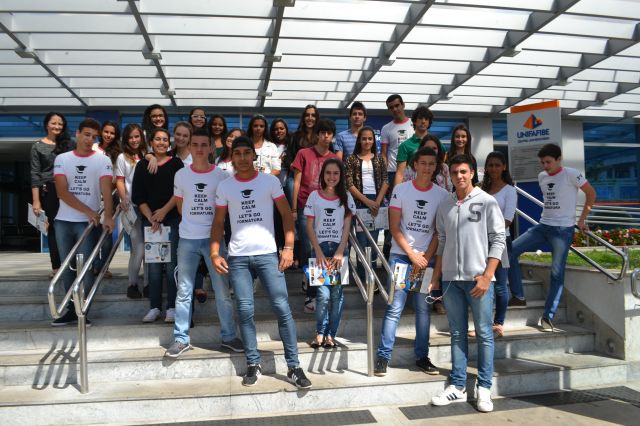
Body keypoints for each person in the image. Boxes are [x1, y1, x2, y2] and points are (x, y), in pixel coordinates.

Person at [211, 136, 312, 389]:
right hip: (238, 257)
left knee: (282, 308)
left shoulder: (270, 181)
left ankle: (294, 366)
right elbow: (218, 222)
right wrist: (214, 253)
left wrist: (288, 248)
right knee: (245, 310)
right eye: (238, 153)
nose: (243, 158)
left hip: (267, 254)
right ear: (232, 158)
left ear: (254, 156)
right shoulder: (225, 186)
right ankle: (253, 362)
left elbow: (286, 215)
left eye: (247, 153)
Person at [430, 154, 506, 413]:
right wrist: (437, 276)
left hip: (479, 280)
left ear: (472, 173)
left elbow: (498, 239)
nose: (459, 176)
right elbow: (442, 241)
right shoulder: (445, 204)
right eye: (454, 172)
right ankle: (458, 386)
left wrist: (487, 275)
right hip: (451, 280)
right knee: (457, 333)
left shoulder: (487, 201)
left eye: (463, 171)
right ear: (449, 175)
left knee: (484, 334)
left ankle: (484, 387)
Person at [165, 129, 243, 358]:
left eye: (203, 144)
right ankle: (181, 338)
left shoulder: (222, 176)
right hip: (187, 239)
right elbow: (181, 207)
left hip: (214, 241)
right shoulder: (181, 175)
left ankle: (229, 336)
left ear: (211, 148)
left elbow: (226, 209)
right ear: (189, 147)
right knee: (184, 290)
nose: (199, 149)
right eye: (195, 144)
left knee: (222, 291)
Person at [374, 147, 448, 377]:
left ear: (436, 167)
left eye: (431, 163)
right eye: (423, 163)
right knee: (394, 307)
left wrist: (424, 257)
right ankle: (383, 357)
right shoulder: (401, 189)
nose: (427, 167)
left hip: (426, 259)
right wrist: (412, 254)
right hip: (401, 256)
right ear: (415, 164)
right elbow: (394, 227)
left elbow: (439, 232)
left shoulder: (442, 195)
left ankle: (422, 357)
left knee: (423, 310)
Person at [509, 143, 596, 331]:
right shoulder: (542, 176)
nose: (545, 166)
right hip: (543, 226)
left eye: (548, 162)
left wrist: (581, 220)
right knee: (510, 251)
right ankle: (518, 296)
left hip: (563, 231)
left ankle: (548, 317)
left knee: (557, 273)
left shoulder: (571, 174)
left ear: (558, 159)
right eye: (542, 162)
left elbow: (591, 193)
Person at [51, 118, 115, 326]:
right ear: (77, 134)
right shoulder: (62, 159)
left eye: (94, 137)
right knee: (67, 266)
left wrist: (108, 216)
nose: (90, 140)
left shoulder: (102, 160)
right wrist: (89, 211)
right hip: (64, 221)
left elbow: (106, 190)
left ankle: (83, 310)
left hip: (87, 224)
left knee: (86, 268)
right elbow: (62, 192)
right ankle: (71, 309)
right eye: (86, 135)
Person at [132, 128, 184, 323]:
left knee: (171, 266)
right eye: (158, 139)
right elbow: (138, 196)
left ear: (169, 143)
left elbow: (179, 192)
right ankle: (154, 307)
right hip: (151, 222)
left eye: (165, 139)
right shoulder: (142, 165)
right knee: (153, 267)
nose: (161, 142)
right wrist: (152, 218)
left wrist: (163, 212)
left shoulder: (176, 163)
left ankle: (171, 307)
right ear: (151, 142)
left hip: (172, 219)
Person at [305, 158, 355, 349]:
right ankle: (320, 332)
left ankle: (330, 335)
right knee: (323, 295)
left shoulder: (346, 197)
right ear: (322, 175)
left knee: (336, 295)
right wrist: (317, 250)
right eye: (328, 173)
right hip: (319, 250)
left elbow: (347, 227)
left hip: (338, 250)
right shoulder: (314, 196)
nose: (331, 177)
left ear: (340, 176)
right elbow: (309, 226)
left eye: (335, 173)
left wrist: (341, 250)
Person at [291, 119, 339, 313]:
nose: (326, 136)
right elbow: (296, 182)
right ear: (317, 134)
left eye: (329, 133)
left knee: (324, 249)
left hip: (328, 210)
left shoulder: (334, 157)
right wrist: (294, 209)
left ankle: (320, 292)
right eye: (323, 132)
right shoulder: (304, 153)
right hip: (305, 206)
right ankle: (311, 293)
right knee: (307, 247)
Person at [30, 112, 73, 278]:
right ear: (46, 124)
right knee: (54, 229)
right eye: (53, 123)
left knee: (72, 227)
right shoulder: (37, 146)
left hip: (70, 189)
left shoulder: (69, 144)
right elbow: (35, 174)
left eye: (60, 124)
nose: (57, 126)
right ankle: (56, 266)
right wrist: (36, 201)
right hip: (50, 190)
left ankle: (72, 264)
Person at [345, 126, 388, 279]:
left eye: (370, 138)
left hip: (377, 201)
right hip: (359, 202)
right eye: (364, 138)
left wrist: (377, 202)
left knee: (374, 243)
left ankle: (373, 277)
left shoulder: (379, 159)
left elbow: (385, 181)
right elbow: (349, 183)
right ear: (359, 140)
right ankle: (364, 278)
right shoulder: (351, 159)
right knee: (362, 242)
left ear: (373, 141)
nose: (367, 141)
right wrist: (367, 201)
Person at [481, 151, 516, 338]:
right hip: (480, 242)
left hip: (501, 241)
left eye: (497, 165)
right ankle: (484, 324)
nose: (493, 168)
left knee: (500, 286)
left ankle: (499, 323)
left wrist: (488, 231)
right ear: (486, 168)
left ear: (504, 167)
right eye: (490, 165)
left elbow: (508, 219)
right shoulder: (481, 189)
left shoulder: (510, 190)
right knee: (483, 283)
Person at [380, 94, 414, 260]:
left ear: (403, 105)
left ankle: (410, 244)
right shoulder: (386, 128)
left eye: (397, 105)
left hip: (413, 173)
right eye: (391, 107)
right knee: (393, 211)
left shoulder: (413, 124)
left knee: (410, 210)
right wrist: (384, 175)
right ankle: (389, 247)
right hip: (393, 173)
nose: (395, 109)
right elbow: (384, 154)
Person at [116, 124, 147, 299]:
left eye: (137, 136)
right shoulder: (122, 157)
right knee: (139, 248)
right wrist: (123, 199)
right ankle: (132, 284)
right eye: (130, 137)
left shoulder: (147, 155)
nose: (134, 140)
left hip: (148, 207)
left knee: (150, 248)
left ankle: (149, 284)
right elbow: (120, 180)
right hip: (132, 207)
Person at [92, 120, 121, 279]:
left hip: (110, 195)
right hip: (93, 196)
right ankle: (95, 265)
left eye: (112, 133)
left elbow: (118, 176)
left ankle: (104, 266)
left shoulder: (118, 151)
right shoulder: (93, 148)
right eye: (106, 132)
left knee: (107, 233)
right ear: (101, 132)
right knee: (93, 232)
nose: (109, 135)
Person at [394, 106, 434, 187]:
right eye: (420, 118)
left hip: (433, 187)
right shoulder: (405, 146)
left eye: (426, 119)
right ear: (414, 121)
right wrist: (396, 192)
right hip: (411, 187)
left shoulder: (437, 144)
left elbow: (442, 170)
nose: (423, 121)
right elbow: (400, 173)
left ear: (429, 122)